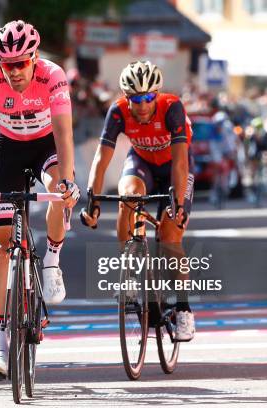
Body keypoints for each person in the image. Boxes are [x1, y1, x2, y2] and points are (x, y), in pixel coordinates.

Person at [0, 20, 79, 379]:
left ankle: (53, 260)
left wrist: (68, 182)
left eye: (20, 64)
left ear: (34, 57)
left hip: (45, 146)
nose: (13, 72)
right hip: (7, 148)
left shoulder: (53, 75)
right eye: (6, 65)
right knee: (1, 245)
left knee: (58, 188)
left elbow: (64, 133)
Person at [80, 61, 196, 341]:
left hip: (173, 168)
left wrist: (178, 204)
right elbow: (101, 158)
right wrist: (92, 200)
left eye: (147, 98)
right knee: (127, 197)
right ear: (125, 97)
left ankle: (183, 308)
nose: (142, 105)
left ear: (155, 94)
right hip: (141, 161)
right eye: (135, 99)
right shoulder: (118, 112)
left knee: (169, 237)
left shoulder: (172, 108)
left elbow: (180, 163)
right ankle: (129, 272)